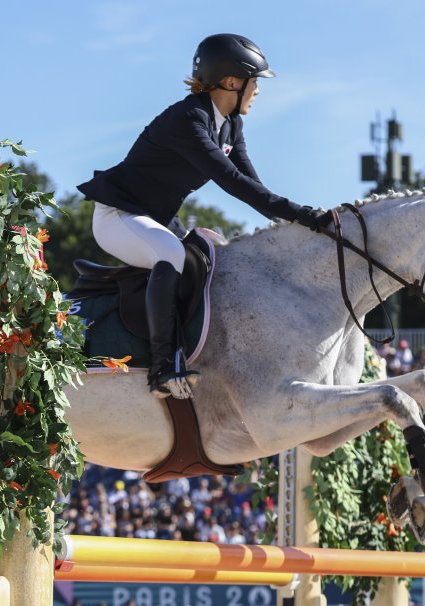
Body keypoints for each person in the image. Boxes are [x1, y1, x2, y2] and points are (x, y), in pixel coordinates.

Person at [78, 33, 330, 399]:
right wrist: (304, 216)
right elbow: (231, 182)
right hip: (119, 216)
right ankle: (163, 368)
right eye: (255, 81)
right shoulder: (189, 118)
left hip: (158, 219)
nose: (258, 90)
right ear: (232, 82)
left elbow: (251, 183)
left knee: (216, 252)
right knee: (171, 253)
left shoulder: (229, 124)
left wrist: (291, 225)